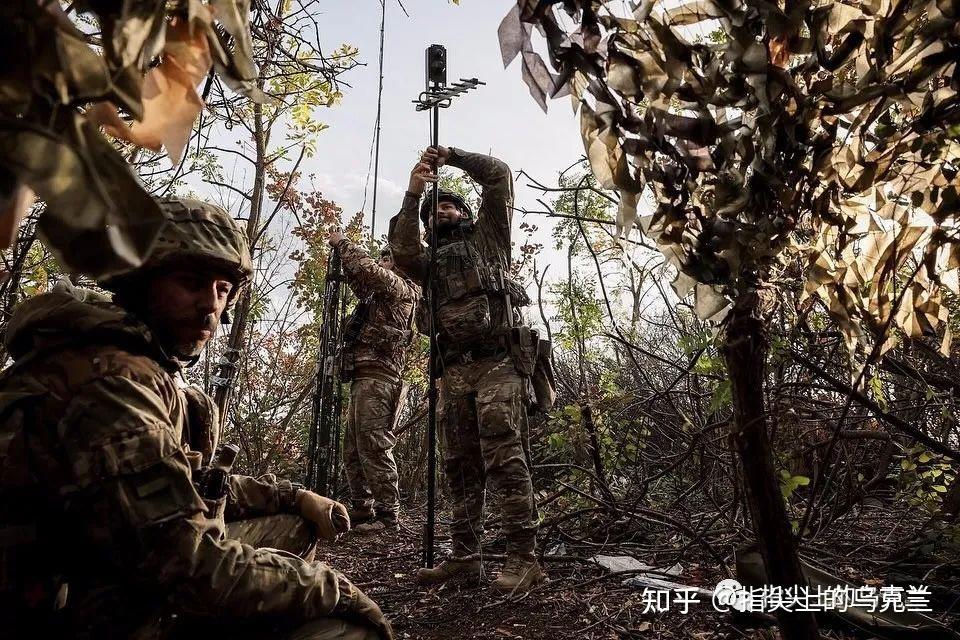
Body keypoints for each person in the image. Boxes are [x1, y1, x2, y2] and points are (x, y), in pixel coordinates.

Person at [0, 197, 393, 639]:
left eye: (223, 289)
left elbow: (178, 482)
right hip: (63, 612)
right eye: (190, 283)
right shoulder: (112, 382)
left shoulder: (117, 361)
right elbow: (187, 566)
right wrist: (336, 590)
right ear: (140, 282)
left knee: (293, 524)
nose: (211, 305)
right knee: (344, 630)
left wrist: (293, 496)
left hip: (98, 576)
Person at [388, 146, 545, 592]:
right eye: (432, 209)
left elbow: (499, 175)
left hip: (499, 363)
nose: (440, 211)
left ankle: (524, 559)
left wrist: (451, 156)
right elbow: (401, 250)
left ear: (465, 212)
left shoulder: (489, 239)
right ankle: (465, 559)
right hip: (454, 372)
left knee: (503, 455)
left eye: (448, 204)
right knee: (459, 463)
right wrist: (413, 191)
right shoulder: (427, 264)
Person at [327, 231, 419, 534]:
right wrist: (344, 257)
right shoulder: (380, 295)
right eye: (382, 257)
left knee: (374, 445)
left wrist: (343, 244)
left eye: (388, 258)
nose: (383, 261)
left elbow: (367, 270)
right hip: (364, 376)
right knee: (352, 448)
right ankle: (362, 507)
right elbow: (361, 279)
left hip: (381, 377)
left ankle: (388, 515)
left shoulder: (403, 288)